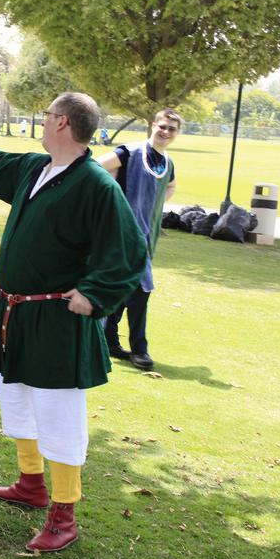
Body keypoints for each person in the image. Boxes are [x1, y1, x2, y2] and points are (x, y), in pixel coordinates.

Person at [0, 93, 146, 552]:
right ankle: (31, 484)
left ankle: (64, 516)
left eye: (48, 114)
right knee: (17, 400)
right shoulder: (36, 169)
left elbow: (130, 248)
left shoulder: (94, 184)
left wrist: (94, 294)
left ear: (63, 123)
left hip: (56, 321)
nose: (43, 119)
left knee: (59, 416)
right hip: (16, 313)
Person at [97, 108, 180, 370]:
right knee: (141, 290)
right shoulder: (130, 152)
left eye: (172, 129)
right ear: (153, 125)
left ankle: (108, 340)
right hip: (122, 235)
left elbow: (171, 186)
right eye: (162, 126)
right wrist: (113, 200)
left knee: (125, 289)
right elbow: (97, 166)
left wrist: (155, 207)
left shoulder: (168, 163)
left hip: (147, 237)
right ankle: (139, 349)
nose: (165, 132)